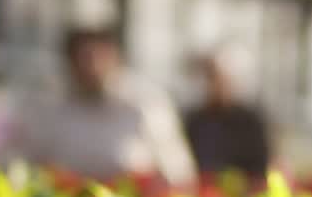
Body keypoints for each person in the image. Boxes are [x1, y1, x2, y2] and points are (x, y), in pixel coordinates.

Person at [17, 28, 196, 186]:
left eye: (97, 57)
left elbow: (175, 168)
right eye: (82, 59)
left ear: (114, 57)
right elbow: (28, 162)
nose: (91, 67)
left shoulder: (144, 102)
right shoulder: (48, 106)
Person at [182, 53, 271, 177]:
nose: (218, 86)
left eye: (224, 80)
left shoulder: (250, 121)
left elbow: (260, 164)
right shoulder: (196, 121)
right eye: (213, 79)